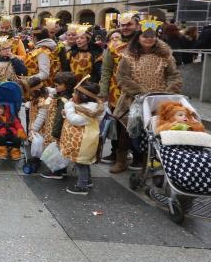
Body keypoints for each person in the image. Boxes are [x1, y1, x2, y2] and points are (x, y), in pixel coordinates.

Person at [113, 19, 182, 171]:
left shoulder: (166, 56)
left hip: (158, 100)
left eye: (152, 36)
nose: (149, 39)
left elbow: (174, 75)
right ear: (138, 37)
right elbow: (122, 77)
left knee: (152, 134)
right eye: (145, 36)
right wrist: (140, 91)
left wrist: (168, 92)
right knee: (126, 132)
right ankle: (121, 161)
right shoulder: (128, 55)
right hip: (132, 100)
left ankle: (147, 163)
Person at [98, 12, 139, 172]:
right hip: (118, 93)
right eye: (123, 25)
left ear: (137, 25)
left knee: (138, 126)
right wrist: (103, 92)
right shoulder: (113, 47)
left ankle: (139, 157)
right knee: (120, 126)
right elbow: (106, 71)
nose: (126, 27)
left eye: (129, 24)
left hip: (140, 93)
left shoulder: (146, 44)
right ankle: (119, 158)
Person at [60, 81, 105, 195]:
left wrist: (69, 107)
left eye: (75, 93)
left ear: (83, 96)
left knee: (81, 164)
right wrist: (66, 112)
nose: (73, 95)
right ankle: (87, 181)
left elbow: (75, 120)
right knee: (84, 163)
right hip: (82, 142)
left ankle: (82, 186)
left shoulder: (89, 110)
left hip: (83, 143)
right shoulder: (84, 107)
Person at [41, 71, 77, 180]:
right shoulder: (66, 96)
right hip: (62, 128)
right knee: (60, 150)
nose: (56, 85)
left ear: (67, 86)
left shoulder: (63, 100)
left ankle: (57, 172)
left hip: (58, 129)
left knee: (58, 150)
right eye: (56, 83)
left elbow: (59, 118)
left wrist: (55, 133)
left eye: (59, 84)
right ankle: (62, 170)